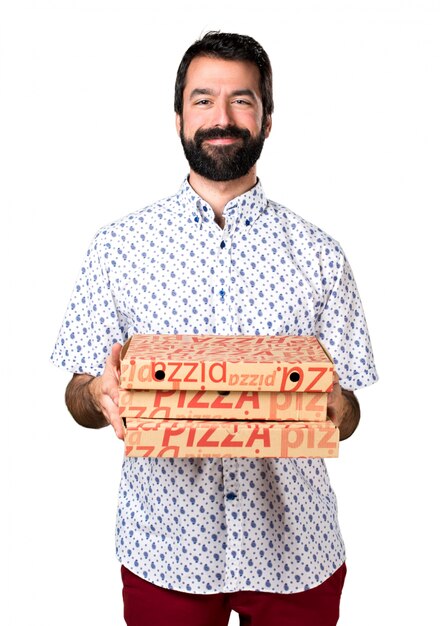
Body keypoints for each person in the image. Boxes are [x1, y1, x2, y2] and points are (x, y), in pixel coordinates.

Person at [51, 31, 377, 626]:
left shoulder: (321, 255)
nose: (221, 118)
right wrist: (99, 394)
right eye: (203, 100)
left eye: (242, 100)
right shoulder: (117, 249)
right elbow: (77, 394)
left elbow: (349, 415)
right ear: (178, 117)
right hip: (164, 550)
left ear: (268, 119)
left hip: (295, 553)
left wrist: (335, 406)